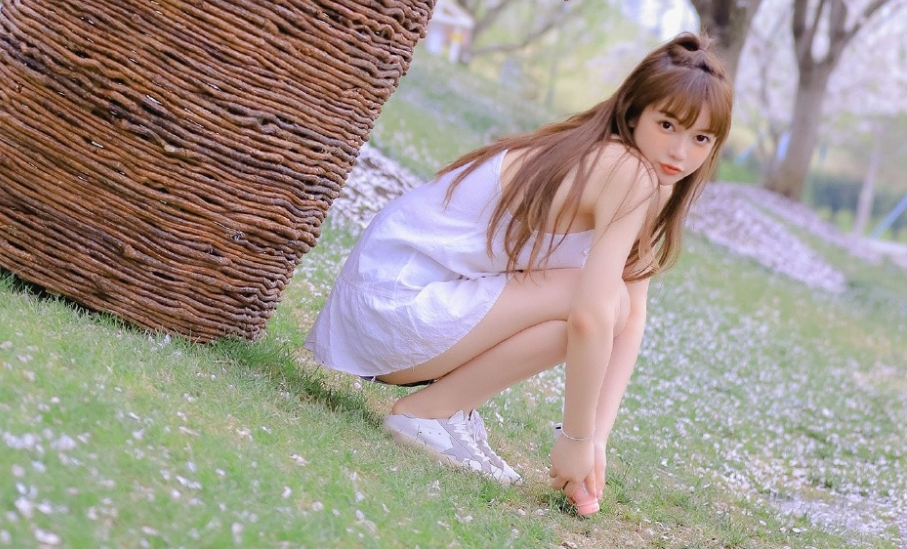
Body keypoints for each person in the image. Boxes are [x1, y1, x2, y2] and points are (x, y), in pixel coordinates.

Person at [305, 31, 732, 510]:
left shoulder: (648, 180)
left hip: (392, 317)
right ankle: (429, 411)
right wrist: (573, 437)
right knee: (597, 302)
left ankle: (439, 409)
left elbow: (631, 319)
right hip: (393, 306)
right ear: (634, 113)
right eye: (668, 125)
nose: (680, 153)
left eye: (700, 138)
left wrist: (595, 444)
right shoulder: (624, 170)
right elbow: (594, 315)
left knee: (605, 307)